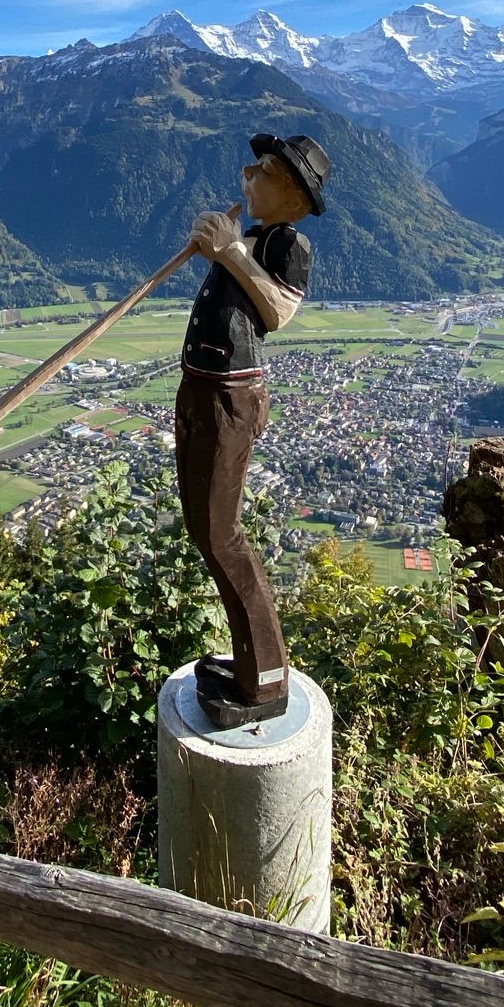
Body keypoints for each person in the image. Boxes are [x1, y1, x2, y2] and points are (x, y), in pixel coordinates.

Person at [176, 132, 329, 728]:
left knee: (222, 534)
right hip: (203, 388)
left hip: (229, 395)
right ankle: (248, 666)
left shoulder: (290, 244)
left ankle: (265, 680)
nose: (247, 173)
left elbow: (278, 312)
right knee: (204, 528)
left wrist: (229, 254)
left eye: (262, 170)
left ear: (291, 195)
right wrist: (224, 248)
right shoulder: (257, 238)